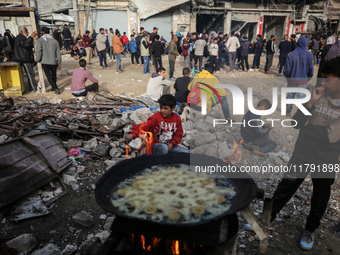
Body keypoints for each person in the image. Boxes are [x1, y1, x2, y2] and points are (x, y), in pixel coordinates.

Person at [270, 56, 340, 251]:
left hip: (326, 158)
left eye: (328, 79)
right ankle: (267, 217)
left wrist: (314, 131)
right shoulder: (315, 94)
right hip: (303, 152)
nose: (323, 83)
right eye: (322, 78)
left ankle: (310, 229)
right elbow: (296, 123)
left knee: (320, 196)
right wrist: (309, 104)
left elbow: (331, 138)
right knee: (286, 186)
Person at [124, 94, 189, 155]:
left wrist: (172, 143)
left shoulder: (177, 118)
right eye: (161, 108)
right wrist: (133, 134)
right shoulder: (156, 117)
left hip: (169, 146)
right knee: (163, 148)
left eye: (165, 108)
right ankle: (160, 165)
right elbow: (145, 126)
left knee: (187, 153)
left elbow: (179, 133)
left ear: (173, 108)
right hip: (156, 146)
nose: (162, 110)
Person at [284, 36, 314, 116]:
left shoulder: (291, 55)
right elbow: (311, 68)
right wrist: (309, 78)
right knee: (301, 98)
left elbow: (287, 69)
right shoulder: (309, 55)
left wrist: (287, 77)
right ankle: (299, 114)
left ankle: (288, 111)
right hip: (303, 80)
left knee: (290, 96)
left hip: (292, 79)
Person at [36, 27, 61, 94]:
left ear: (43, 32)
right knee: (54, 75)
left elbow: (38, 50)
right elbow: (58, 53)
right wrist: (59, 62)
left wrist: (38, 58)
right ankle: (54, 87)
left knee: (48, 76)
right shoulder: (54, 41)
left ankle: (55, 88)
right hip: (53, 61)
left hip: (45, 61)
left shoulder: (40, 40)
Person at [12, 26, 38, 92]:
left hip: (26, 58)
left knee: (31, 73)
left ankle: (33, 87)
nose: (27, 32)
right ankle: (33, 88)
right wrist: (31, 37)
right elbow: (25, 44)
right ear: (21, 32)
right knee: (30, 74)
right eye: (26, 31)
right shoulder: (20, 37)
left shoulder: (21, 37)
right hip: (24, 59)